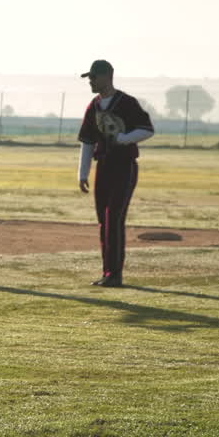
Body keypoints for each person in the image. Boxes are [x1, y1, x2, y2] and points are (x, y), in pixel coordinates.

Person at [76, 59, 154, 287]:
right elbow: (88, 141)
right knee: (103, 220)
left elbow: (147, 129)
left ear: (107, 76)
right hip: (104, 167)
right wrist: (82, 173)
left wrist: (124, 139)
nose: (90, 81)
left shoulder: (126, 103)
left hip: (124, 165)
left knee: (114, 219)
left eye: (93, 77)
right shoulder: (93, 106)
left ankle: (115, 274)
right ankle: (107, 272)